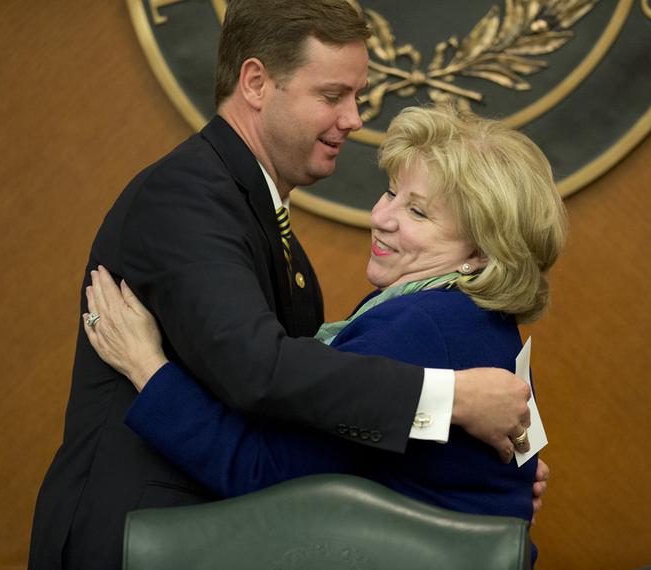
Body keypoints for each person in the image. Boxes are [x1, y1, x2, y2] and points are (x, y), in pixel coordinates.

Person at [29, 2, 541, 568]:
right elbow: (261, 369)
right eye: (331, 96)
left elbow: (291, 434)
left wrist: (480, 469)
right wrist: (453, 404)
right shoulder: (188, 197)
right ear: (255, 83)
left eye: (418, 210)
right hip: (131, 540)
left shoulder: (385, 298)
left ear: (479, 248)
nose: (353, 118)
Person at [83, 104, 566, 562]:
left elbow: (263, 477)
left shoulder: (419, 326)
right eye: (391, 192)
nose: (381, 217)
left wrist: (147, 367)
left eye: (417, 213)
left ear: (481, 252)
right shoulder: (475, 318)